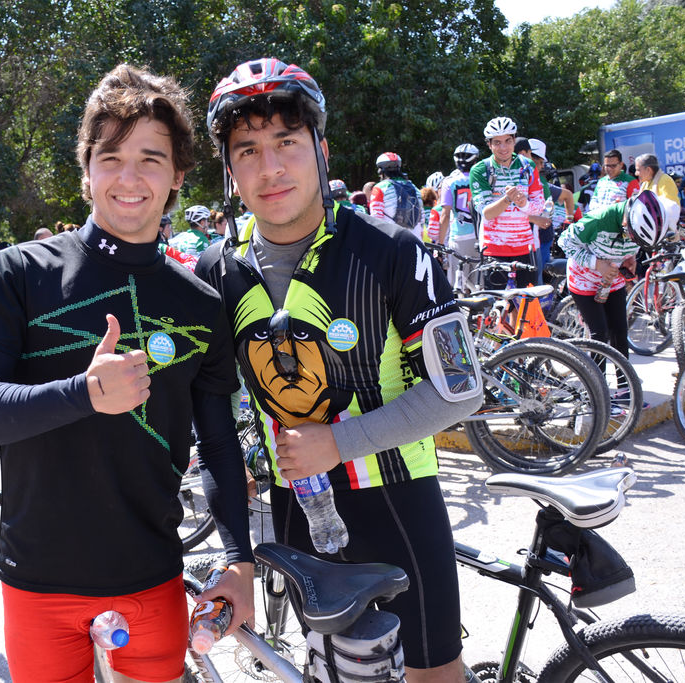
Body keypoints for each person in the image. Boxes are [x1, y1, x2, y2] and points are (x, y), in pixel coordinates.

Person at [0, 64, 254, 682]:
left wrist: (238, 561)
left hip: (151, 579)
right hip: (38, 581)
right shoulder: (18, 272)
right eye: (110, 157)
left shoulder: (200, 304)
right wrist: (83, 394)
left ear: (177, 175)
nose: (129, 178)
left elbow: (220, 443)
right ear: (85, 170)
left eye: (150, 159)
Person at [199, 57, 483, 683]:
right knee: (334, 671)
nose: (270, 168)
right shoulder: (216, 270)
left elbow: (461, 390)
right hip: (296, 503)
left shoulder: (393, 249)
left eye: (287, 143)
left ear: (321, 151)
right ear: (230, 170)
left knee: (433, 674)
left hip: (398, 498)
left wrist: (339, 442)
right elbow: (212, 399)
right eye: (247, 150)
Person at [557, 191, 675, 367]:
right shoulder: (598, 220)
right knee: (600, 334)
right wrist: (597, 264)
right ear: (626, 222)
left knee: (620, 332)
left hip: (613, 278)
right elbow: (564, 242)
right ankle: (597, 382)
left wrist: (630, 258)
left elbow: (632, 244)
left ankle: (625, 383)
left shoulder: (638, 224)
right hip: (584, 280)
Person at [469, 116, 545, 288]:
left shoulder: (528, 166)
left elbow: (538, 207)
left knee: (527, 301)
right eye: (497, 142)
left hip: (525, 247)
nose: (503, 148)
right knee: (500, 302)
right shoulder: (480, 170)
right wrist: (507, 199)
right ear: (489, 144)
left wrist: (524, 203)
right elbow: (487, 213)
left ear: (514, 140)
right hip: (494, 249)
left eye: (507, 141)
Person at [528, 139, 575, 274]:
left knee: (537, 276)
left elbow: (568, 195)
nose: (542, 166)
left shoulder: (541, 183)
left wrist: (568, 221)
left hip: (542, 238)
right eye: (540, 162)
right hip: (527, 239)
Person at [439, 143, 480, 291]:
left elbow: (445, 215)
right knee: (479, 286)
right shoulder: (482, 178)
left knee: (459, 285)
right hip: (480, 236)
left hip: (458, 236)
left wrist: (440, 243)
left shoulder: (449, 181)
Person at [370, 152, 424, 231]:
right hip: (415, 234)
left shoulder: (380, 188)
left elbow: (376, 218)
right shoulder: (414, 187)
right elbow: (421, 217)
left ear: (381, 171)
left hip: (391, 234)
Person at [588, 149, 639, 214]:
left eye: (613, 166)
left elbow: (635, 207)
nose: (609, 169)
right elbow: (592, 202)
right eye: (607, 165)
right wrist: (604, 209)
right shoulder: (601, 181)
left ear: (621, 165)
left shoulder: (630, 181)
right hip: (599, 218)